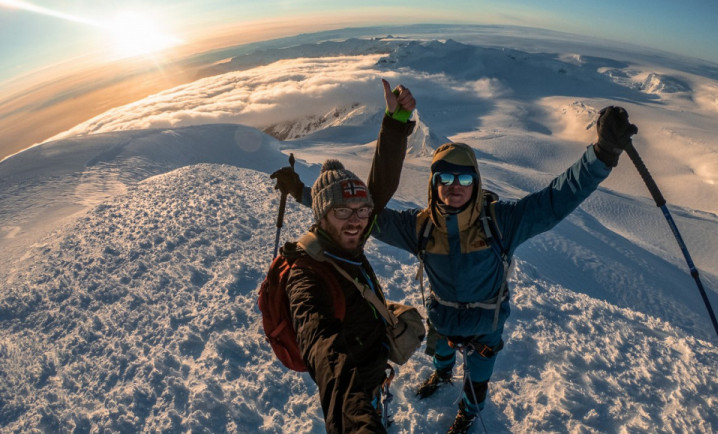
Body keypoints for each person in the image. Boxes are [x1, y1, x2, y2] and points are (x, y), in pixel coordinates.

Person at [365, 105, 638, 433]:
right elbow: (362, 217)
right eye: (445, 177)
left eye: (464, 177)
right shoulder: (419, 227)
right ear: (434, 183)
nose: (455, 185)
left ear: (476, 182)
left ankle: (467, 411)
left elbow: (555, 200)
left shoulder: (500, 223)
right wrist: (307, 195)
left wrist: (602, 154)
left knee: (478, 381)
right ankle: (442, 373)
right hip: (443, 318)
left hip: (485, 327)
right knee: (441, 351)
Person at [270, 80, 416, 433]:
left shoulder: (346, 236)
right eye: (342, 212)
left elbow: (378, 189)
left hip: (373, 361)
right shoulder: (306, 275)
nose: (356, 222)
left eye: (361, 211)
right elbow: (324, 349)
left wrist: (395, 123)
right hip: (357, 380)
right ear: (320, 217)